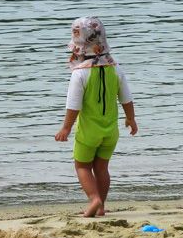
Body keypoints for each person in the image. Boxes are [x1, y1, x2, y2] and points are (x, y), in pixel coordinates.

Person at [55, 17, 137, 217]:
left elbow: (73, 105)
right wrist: (131, 119)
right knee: (102, 167)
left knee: (82, 165)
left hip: (89, 132)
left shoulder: (79, 74)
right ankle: (101, 206)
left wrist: (66, 128)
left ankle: (94, 199)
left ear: (79, 48)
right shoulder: (115, 68)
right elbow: (126, 98)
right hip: (110, 131)